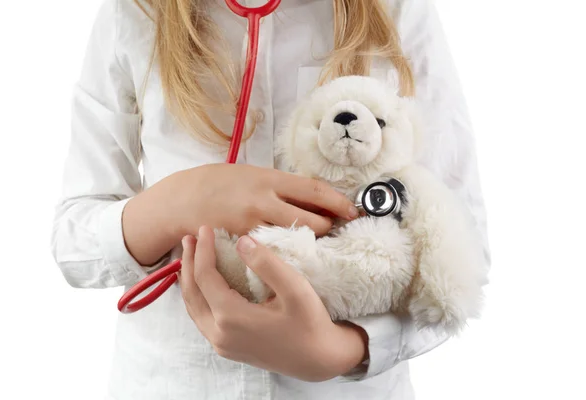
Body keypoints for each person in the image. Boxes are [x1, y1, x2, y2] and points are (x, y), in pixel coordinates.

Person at [50, 0, 490, 398]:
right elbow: (74, 243)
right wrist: (179, 201)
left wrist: (346, 349)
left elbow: (460, 254)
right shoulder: (136, 12)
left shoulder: (395, 10)